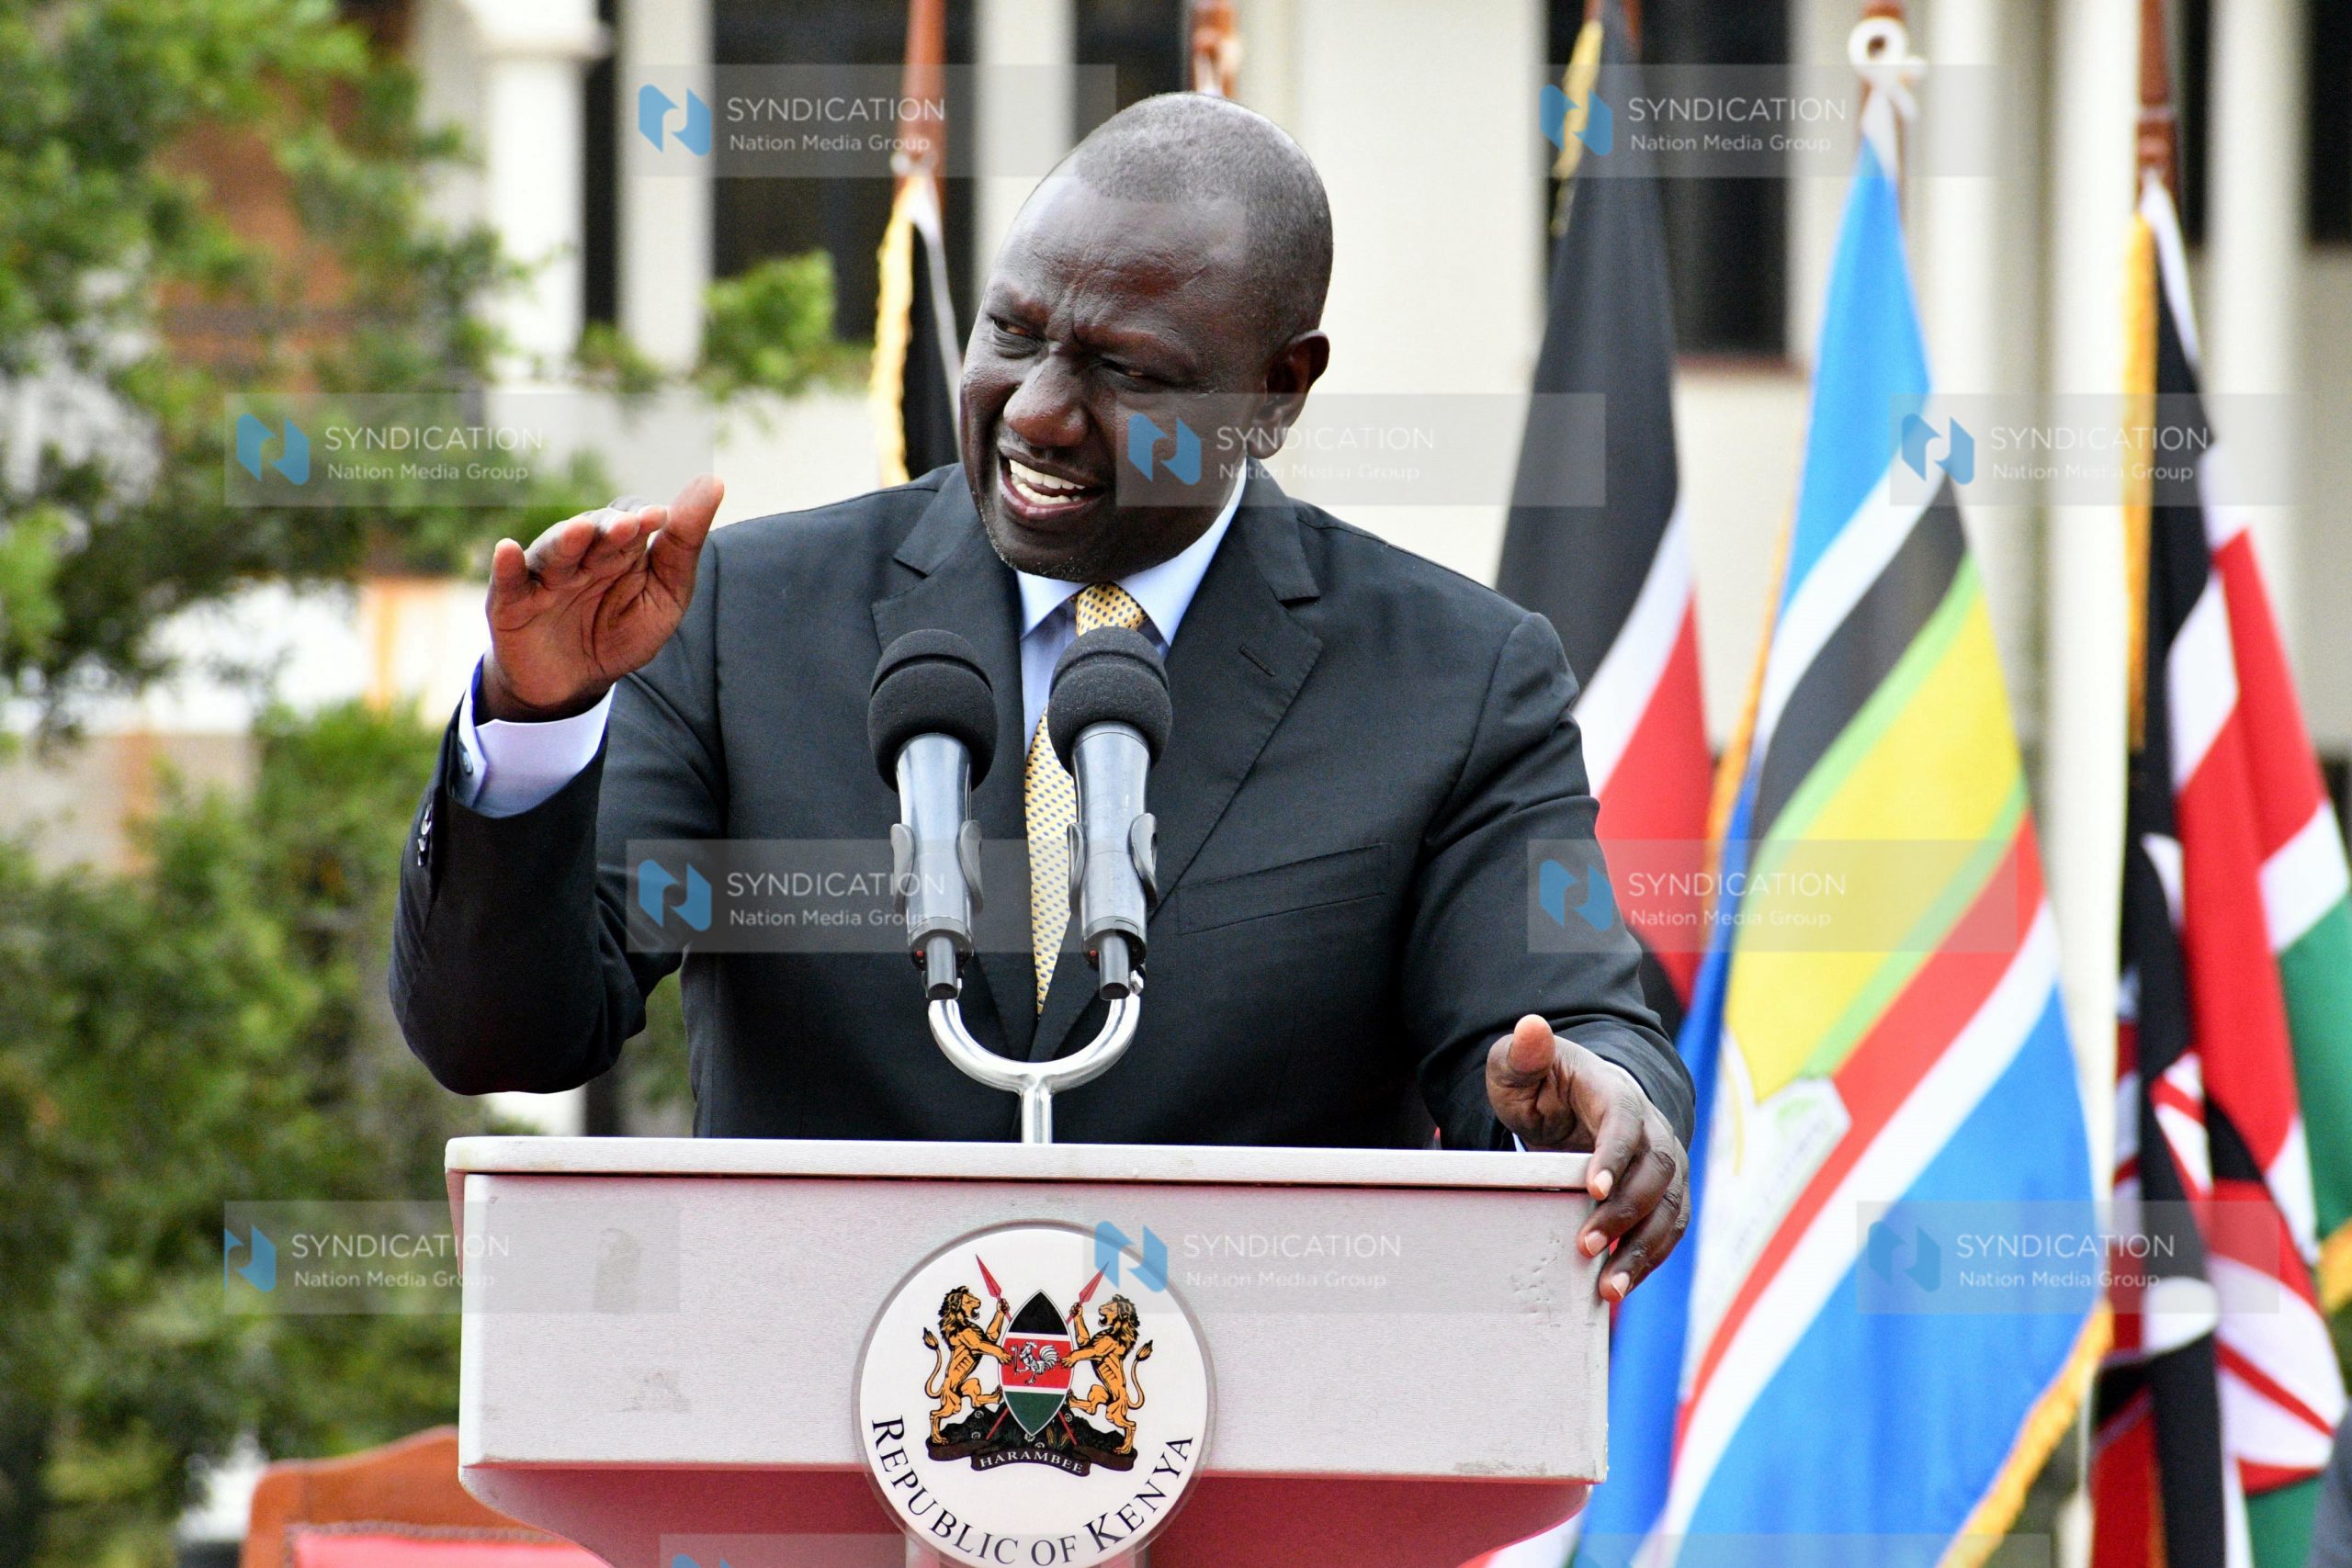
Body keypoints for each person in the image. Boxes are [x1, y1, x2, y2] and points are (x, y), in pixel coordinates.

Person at [390, 93, 1692, 1302]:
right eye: (1013, 334)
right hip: (799, 1467)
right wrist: (537, 722)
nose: (1044, 414)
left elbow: (1558, 1029)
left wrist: (1594, 1098)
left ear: (1279, 393)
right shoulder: (737, 620)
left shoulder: (1455, 678)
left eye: (1132, 372)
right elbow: (502, 1037)